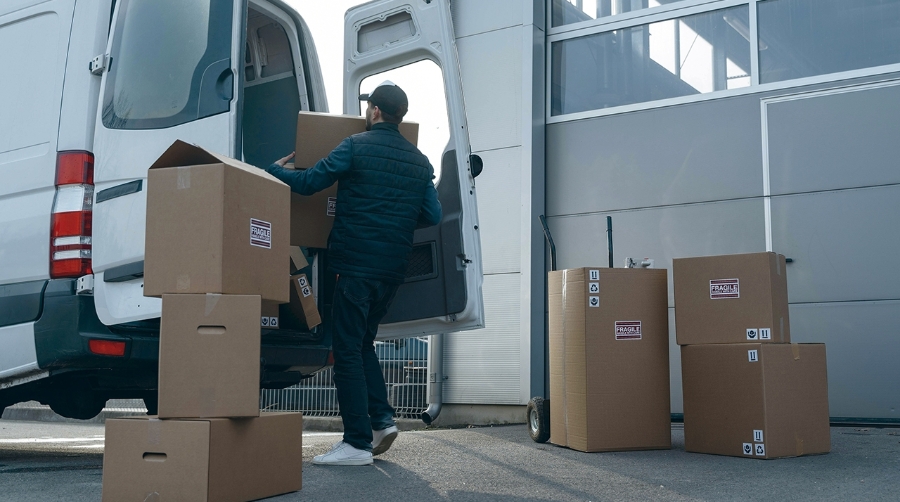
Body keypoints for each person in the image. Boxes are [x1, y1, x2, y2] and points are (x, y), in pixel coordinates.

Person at [264, 81, 442, 466]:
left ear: (374, 111)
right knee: (362, 344)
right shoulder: (419, 161)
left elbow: (311, 183)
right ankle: (381, 420)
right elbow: (434, 215)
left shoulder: (355, 147)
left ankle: (357, 443)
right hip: (391, 272)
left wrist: (274, 171)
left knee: (345, 350)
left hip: (355, 267)